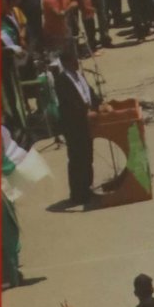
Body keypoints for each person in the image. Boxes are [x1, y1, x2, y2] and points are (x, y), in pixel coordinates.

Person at [49, 39, 97, 206]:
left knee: (88, 156)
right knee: (77, 158)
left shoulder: (79, 76)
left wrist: (99, 104)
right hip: (74, 125)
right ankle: (78, 193)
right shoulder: (62, 80)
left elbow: (89, 93)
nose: (77, 62)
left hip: (86, 123)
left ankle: (87, 188)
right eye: (74, 60)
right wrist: (86, 111)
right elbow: (72, 103)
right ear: (66, 62)